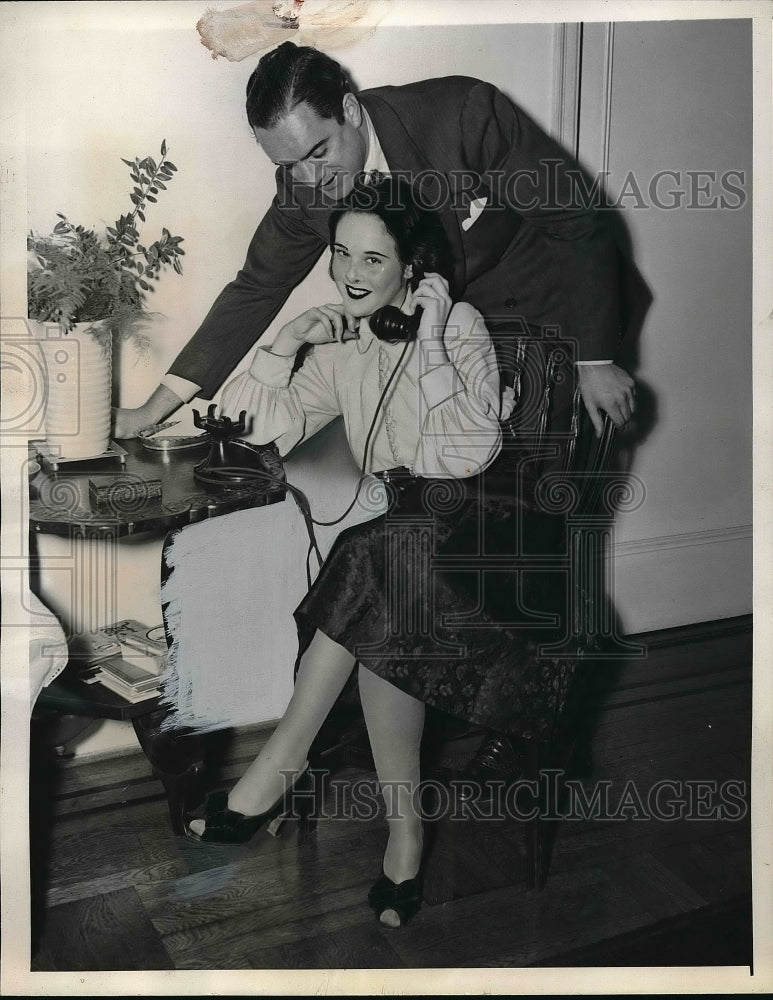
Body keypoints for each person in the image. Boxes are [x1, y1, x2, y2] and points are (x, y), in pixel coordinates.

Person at [116, 40, 640, 787]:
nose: (311, 180)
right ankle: (419, 712)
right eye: (289, 166)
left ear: (353, 111)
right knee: (423, 537)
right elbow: (253, 288)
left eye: (321, 152)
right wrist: (158, 403)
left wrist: (593, 355)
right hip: (445, 343)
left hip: (551, 327)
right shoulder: (307, 182)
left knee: (524, 540)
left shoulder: (462, 112)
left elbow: (576, 219)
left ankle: (530, 727)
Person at [185, 176, 576, 928]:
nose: (352, 275)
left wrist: (428, 338)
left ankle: (278, 765)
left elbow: (465, 454)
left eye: (373, 259)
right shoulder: (343, 350)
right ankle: (404, 834)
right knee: (381, 591)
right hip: (405, 556)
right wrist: (284, 342)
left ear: (412, 269)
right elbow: (256, 433)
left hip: (493, 543)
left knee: (377, 551)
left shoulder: (455, 325)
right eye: (341, 256)